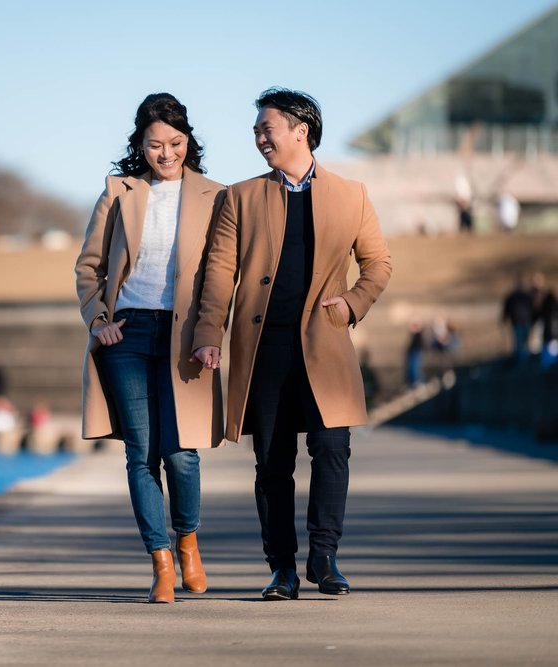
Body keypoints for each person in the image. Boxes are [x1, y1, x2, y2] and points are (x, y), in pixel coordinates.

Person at [192, 88, 392, 600]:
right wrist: (208, 334)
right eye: (257, 130)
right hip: (265, 348)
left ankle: (324, 558)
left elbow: (378, 264)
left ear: (300, 130)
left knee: (332, 450)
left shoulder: (352, 194)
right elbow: (218, 272)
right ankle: (281, 566)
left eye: (267, 128)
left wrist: (352, 303)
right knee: (273, 462)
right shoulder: (239, 197)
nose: (259, 137)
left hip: (326, 344)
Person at [75, 92, 226, 603]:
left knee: (180, 453)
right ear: (140, 145)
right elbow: (88, 267)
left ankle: (188, 543)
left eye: (175, 143)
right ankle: (160, 562)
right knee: (141, 454)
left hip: (184, 336)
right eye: (155, 144)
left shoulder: (216, 196)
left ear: (188, 141)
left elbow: (222, 277)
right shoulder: (119, 192)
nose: (166, 153)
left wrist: (211, 334)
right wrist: (99, 319)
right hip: (128, 333)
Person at [501, 273, 534, 364]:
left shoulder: (526, 296)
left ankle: (526, 359)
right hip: (517, 322)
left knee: (526, 341)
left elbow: (532, 308)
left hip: (526, 321)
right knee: (519, 342)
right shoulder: (512, 297)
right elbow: (506, 308)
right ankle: (521, 360)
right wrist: (504, 318)